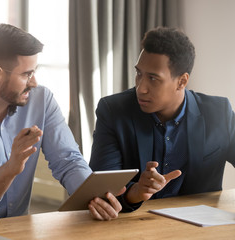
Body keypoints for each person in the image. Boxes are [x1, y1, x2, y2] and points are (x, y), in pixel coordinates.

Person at [0, 23, 124, 221]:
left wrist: (94, 198)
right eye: (26, 74)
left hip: (19, 227)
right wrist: (11, 167)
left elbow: (68, 161)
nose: (34, 83)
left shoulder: (41, 100)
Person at [89, 27, 235, 211]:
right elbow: (101, 192)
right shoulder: (114, 111)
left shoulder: (218, 113)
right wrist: (137, 191)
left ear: (182, 81)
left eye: (153, 78)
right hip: (134, 227)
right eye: (139, 74)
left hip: (200, 228)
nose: (140, 88)